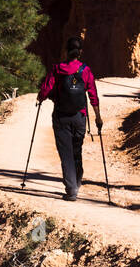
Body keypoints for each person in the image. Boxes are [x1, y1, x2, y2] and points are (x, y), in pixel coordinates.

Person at [36, 35, 102, 201]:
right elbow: (93, 94)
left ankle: (72, 189)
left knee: (66, 153)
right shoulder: (85, 70)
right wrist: (98, 117)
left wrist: (40, 98)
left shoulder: (57, 69)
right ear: (80, 52)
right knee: (76, 149)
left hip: (61, 116)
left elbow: (46, 89)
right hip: (80, 117)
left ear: (66, 51)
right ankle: (77, 180)